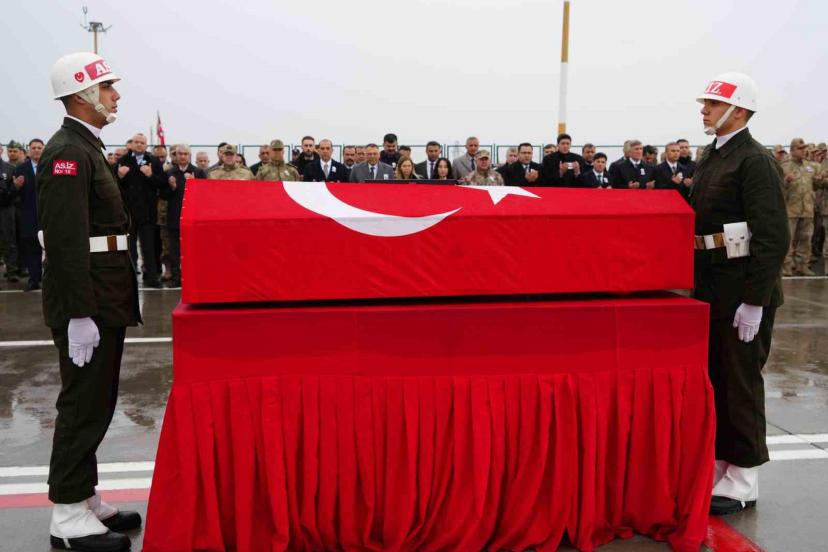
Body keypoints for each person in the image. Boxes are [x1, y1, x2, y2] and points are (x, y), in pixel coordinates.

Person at [38, 51, 142, 552]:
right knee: (82, 404)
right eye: (106, 87)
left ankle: (83, 496)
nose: (115, 95)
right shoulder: (67, 152)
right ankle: (67, 513)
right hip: (89, 300)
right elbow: (64, 241)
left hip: (104, 294)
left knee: (97, 400)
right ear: (82, 94)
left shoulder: (86, 146)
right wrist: (79, 312)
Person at [691, 72, 789, 516]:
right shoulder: (712, 155)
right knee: (717, 380)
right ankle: (721, 465)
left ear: (739, 111)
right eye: (705, 103)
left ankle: (744, 477)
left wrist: (755, 300)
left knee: (741, 383)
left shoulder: (755, 160)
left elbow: (772, 237)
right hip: (711, 286)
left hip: (741, 291)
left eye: (712, 104)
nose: (704, 110)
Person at [117, 133, 165, 288]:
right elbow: (113, 185)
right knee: (130, 247)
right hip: (128, 212)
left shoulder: (154, 161)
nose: (139, 144)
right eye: (136, 142)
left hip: (147, 212)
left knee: (148, 247)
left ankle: (152, 277)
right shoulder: (122, 161)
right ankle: (130, 278)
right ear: (131, 144)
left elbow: (162, 183)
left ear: (146, 145)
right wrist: (119, 177)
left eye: (142, 142)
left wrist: (151, 175)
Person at [161, 144, 206, 288]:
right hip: (175, 217)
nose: (182, 156)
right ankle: (176, 278)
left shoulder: (198, 172)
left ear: (190, 155)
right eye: (179, 153)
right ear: (175, 155)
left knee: (194, 250)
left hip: (193, 218)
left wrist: (194, 184)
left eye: (185, 154)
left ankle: (195, 278)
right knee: (175, 250)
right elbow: (163, 195)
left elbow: (205, 196)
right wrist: (172, 187)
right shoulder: (170, 172)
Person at [780, 137, 825, 276]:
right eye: (800, 148)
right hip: (790, 209)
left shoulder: (810, 166)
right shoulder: (784, 166)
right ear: (792, 150)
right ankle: (786, 267)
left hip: (807, 209)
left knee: (806, 239)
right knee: (788, 240)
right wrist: (786, 181)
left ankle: (802, 266)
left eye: (804, 148)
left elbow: (816, 185)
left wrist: (820, 179)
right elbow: (777, 186)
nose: (803, 150)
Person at [11, 139, 45, 290]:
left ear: (44, 149)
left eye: (39, 147)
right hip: (28, 216)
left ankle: (51, 280)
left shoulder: (50, 166)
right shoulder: (20, 169)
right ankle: (34, 280)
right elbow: (11, 195)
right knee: (31, 250)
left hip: (49, 216)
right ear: (29, 150)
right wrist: (16, 187)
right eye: (34, 148)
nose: (36, 150)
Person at [0, 153, 18, 286]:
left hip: (6, 209)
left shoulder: (10, 168)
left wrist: (14, 188)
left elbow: (14, 191)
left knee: (9, 240)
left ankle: (12, 272)